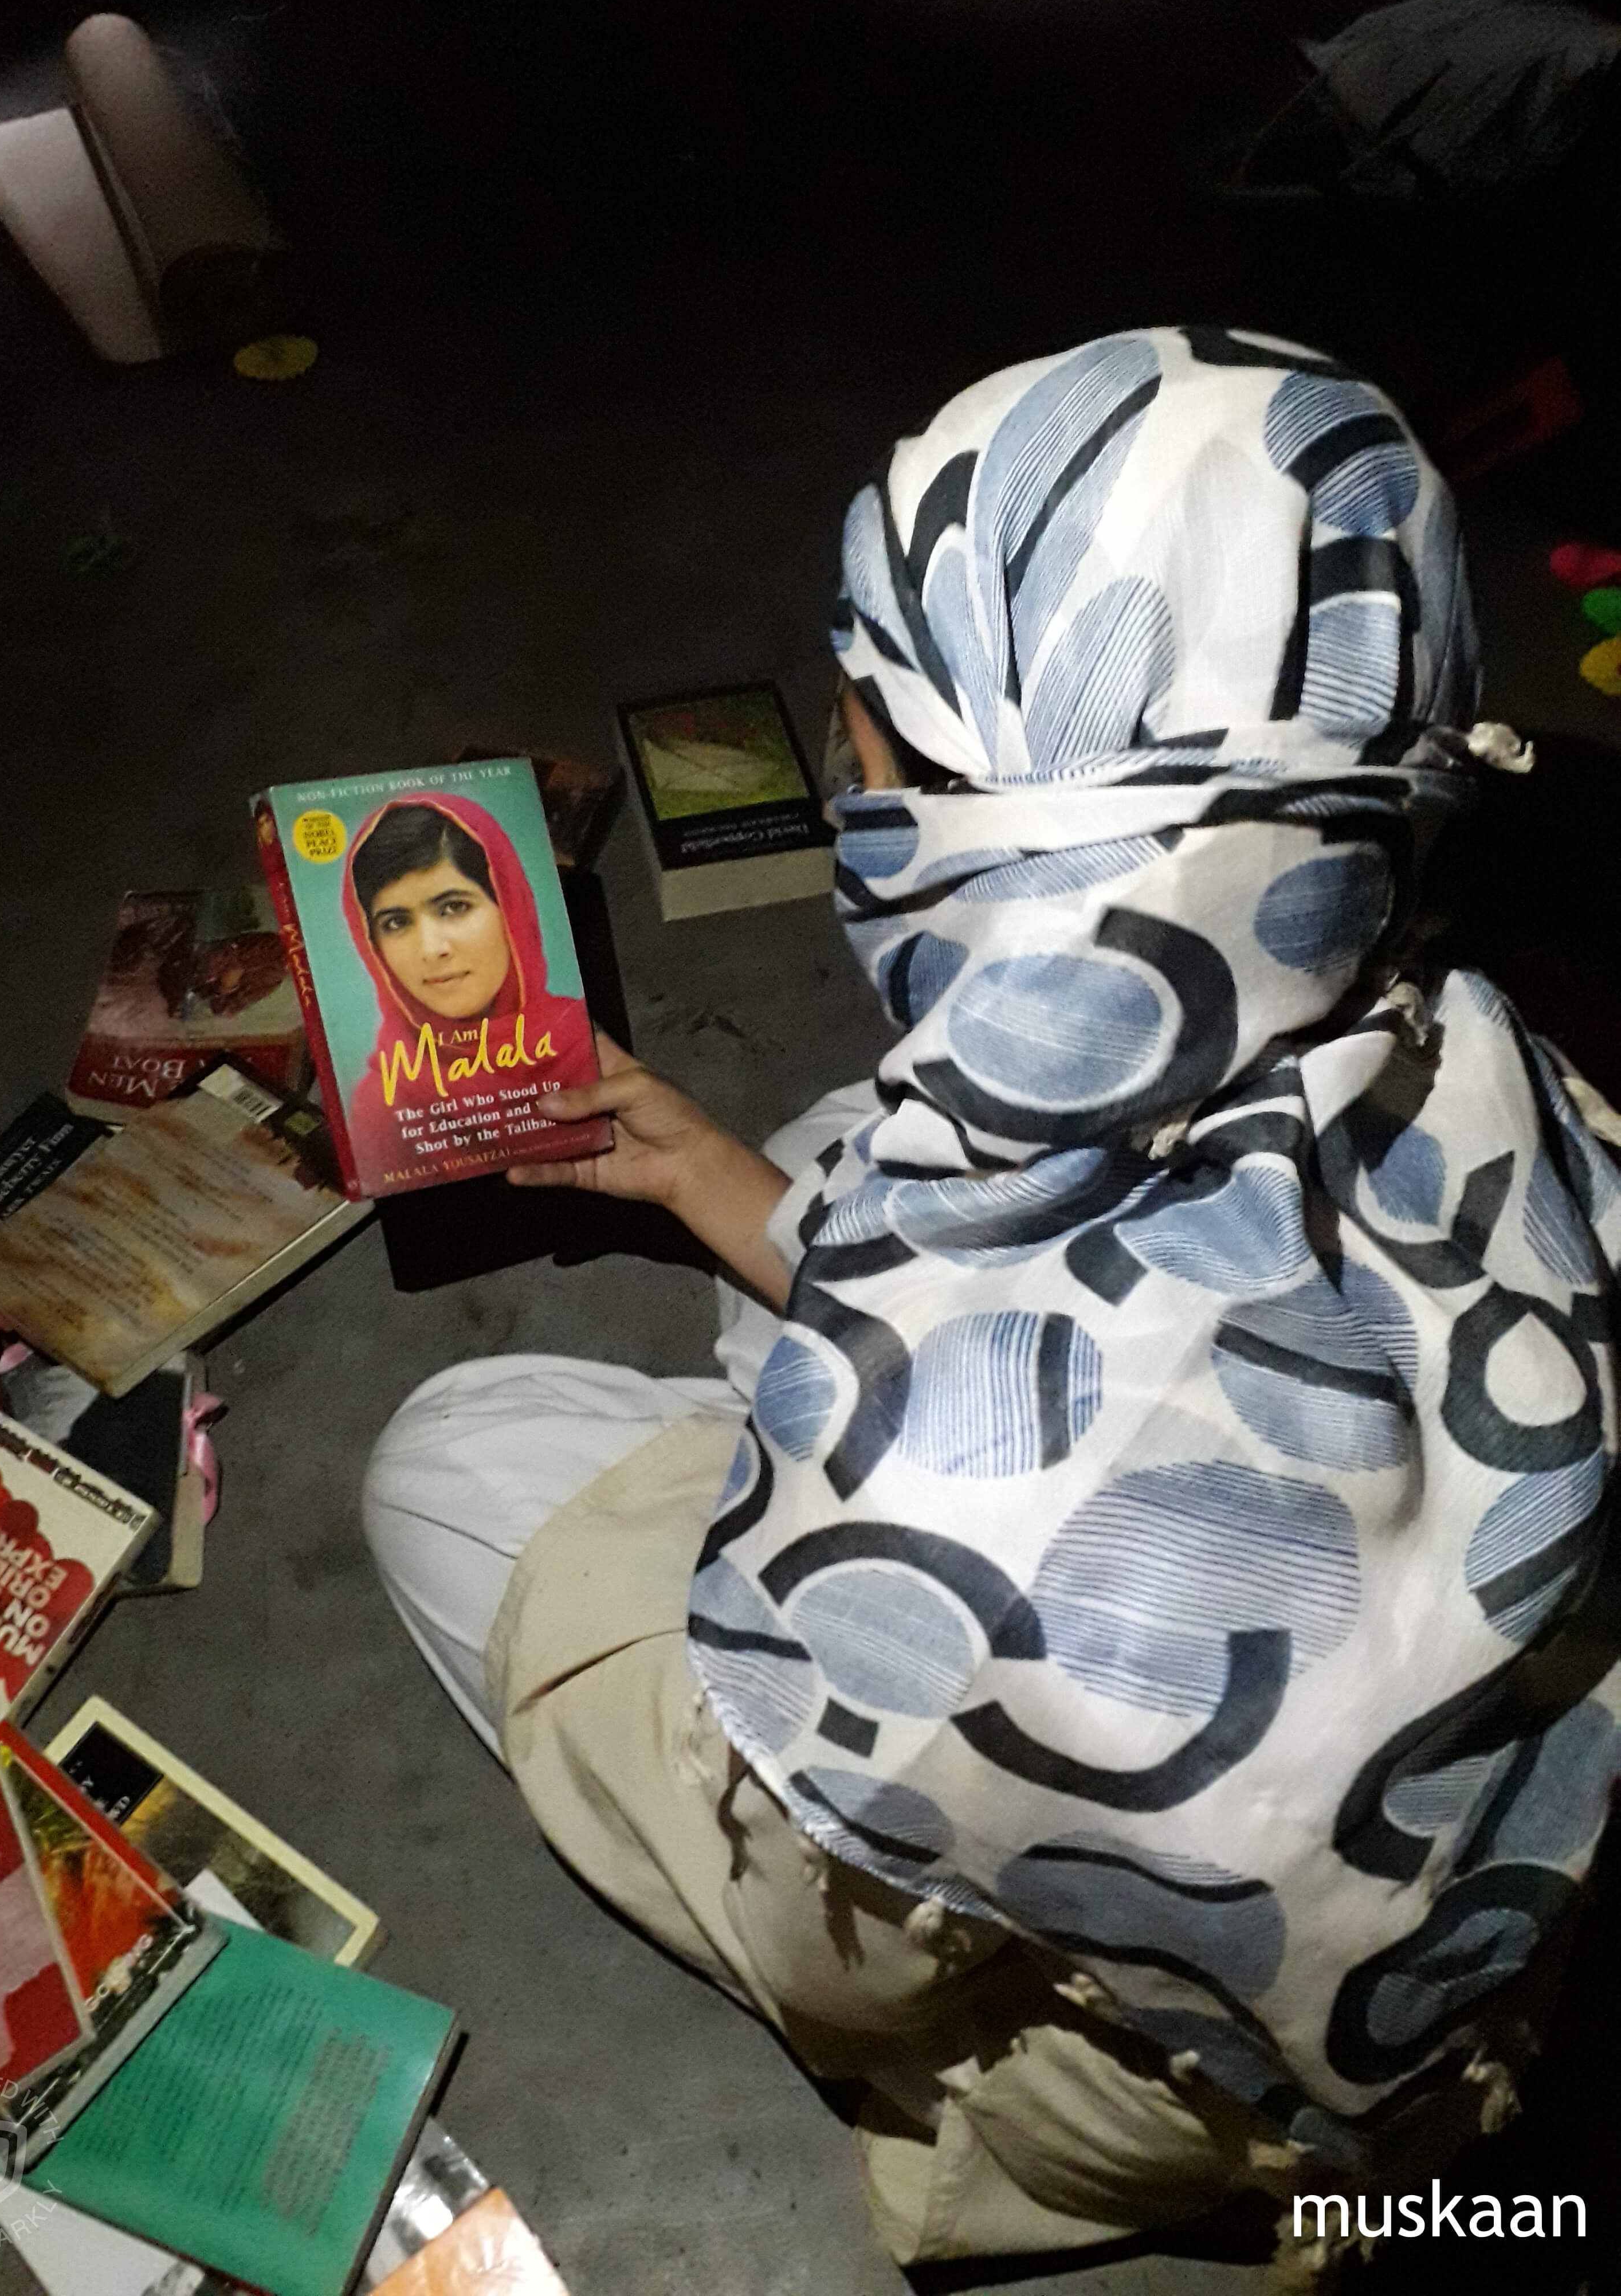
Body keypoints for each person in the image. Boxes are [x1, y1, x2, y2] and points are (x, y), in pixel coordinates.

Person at [362, 327, 1621, 2284]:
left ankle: (1111, 2172)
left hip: (1205, 2082)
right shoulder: (1516, 1075)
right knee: (838, 1141)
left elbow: (830, 1948)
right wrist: (716, 1185)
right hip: (1461, 1901)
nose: (849, 762)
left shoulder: (955, 1515)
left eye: (880, 726)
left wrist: (828, 1519)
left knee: (450, 1455)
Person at [342, 791, 596, 1177]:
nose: (431, 950)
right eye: (396, 922)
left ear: (510, 908)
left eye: (454, 907)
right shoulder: (384, 1105)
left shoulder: (584, 1041)